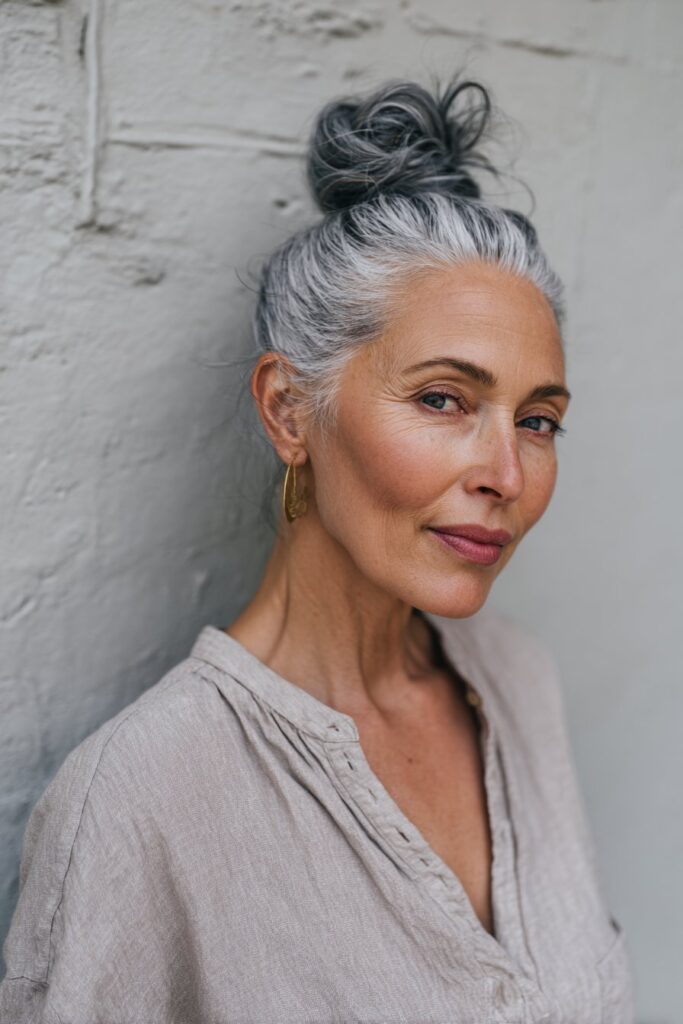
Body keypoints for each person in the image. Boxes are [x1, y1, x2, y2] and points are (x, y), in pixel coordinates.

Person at [0, 73, 636, 1023]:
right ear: (289, 410)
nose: (505, 472)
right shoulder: (137, 804)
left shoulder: (517, 682)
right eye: (442, 399)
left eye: (537, 420)